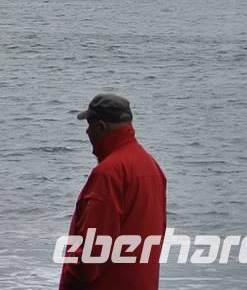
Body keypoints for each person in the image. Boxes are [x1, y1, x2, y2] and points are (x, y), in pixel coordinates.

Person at [59, 93, 168, 289]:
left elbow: (91, 258)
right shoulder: (152, 167)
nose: (87, 132)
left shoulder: (108, 173)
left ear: (101, 127)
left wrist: (70, 271)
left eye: (89, 125)